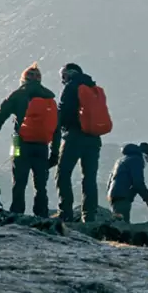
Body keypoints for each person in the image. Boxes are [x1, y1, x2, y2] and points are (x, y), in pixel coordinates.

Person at [0, 63, 57, 217]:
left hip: (19, 142)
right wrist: (55, 153)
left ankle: (17, 213)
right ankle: (41, 214)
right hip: (42, 145)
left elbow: (1, 112)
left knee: (19, 180)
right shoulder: (49, 99)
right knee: (41, 184)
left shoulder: (19, 94)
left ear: (23, 79)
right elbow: (56, 127)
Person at [52, 63, 106, 222]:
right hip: (94, 138)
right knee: (89, 177)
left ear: (69, 73)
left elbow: (62, 113)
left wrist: (59, 131)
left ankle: (65, 213)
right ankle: (89, 215)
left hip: (73, 137)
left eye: (63, 76)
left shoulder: (70, 87)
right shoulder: (94, 88)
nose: (62, 80)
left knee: (63, 173)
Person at [106, 142, 148, 222]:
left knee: (118, 220)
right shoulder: (137, 160)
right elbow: (138, 182)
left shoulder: (123, 159)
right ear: (145, 156)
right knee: (122, 225)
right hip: (123, 196)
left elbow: (111, 179)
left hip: (114, 195)